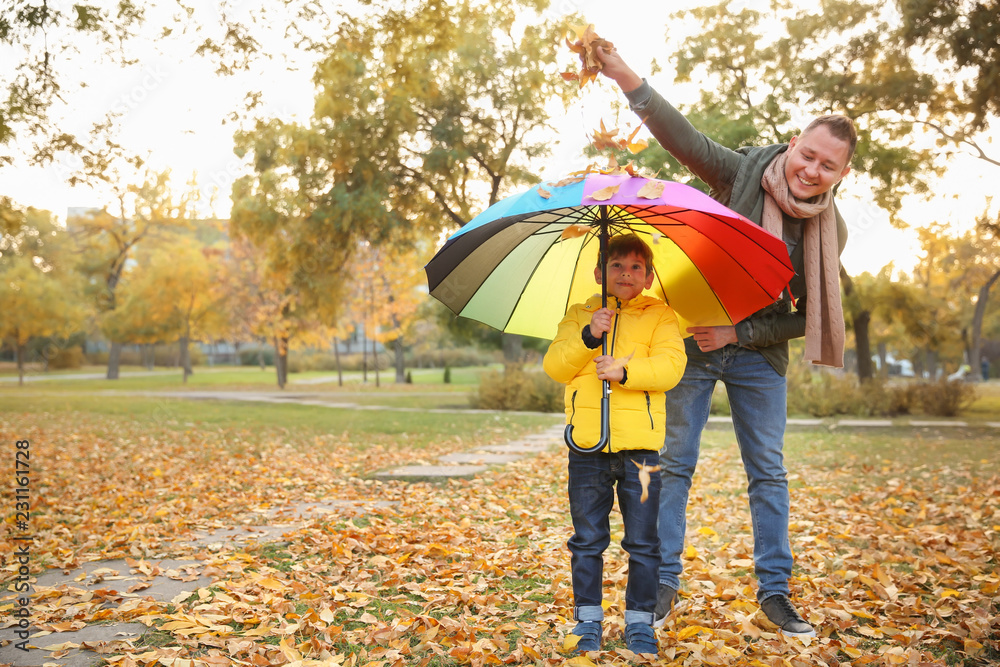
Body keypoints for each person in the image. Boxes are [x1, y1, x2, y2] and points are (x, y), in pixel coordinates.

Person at [595, 47, 856, 638]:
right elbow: (683, 139)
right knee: (672, 466)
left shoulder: (828, 229)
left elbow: (811, 317)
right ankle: (662, 584)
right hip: (691, 345)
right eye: (807, 154)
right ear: (793, 145)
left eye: (827, 166)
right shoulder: (742, 174)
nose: (811, 170)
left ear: (842, 174)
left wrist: (740, 332)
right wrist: (626, 78)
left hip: (759, 356)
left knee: (768, 471)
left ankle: (776, 592)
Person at [543, 233, 687, 655]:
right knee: (587, 539)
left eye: (636, 267)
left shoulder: (660, 316)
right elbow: (555, 365)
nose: (626, 273)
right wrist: (589, 336)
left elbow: (671, 367)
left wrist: (624, 371)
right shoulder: (580, 315)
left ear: (647, 277)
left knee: (644, 540)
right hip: (587, 448)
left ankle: (640, 623)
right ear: (598, 272)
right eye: (617, 265)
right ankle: (587, 619)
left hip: (641, 452)